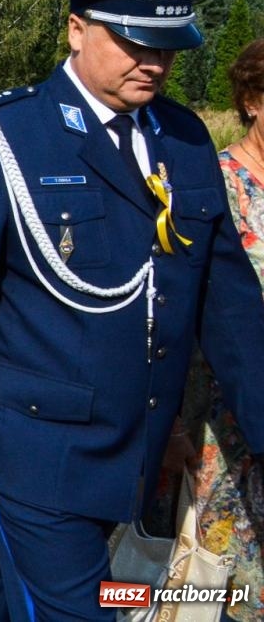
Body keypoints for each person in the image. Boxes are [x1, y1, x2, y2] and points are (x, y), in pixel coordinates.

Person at [0, 0, 264, 621]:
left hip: (136, 451)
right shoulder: (4, 134)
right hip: (39, 454)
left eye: (165, 47)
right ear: (77, 30)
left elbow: (233, 311)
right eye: (134, 42)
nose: (153, 63)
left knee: (7, 596)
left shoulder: (183, 140)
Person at [151, 37, 264, 621]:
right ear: (251, 100)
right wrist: (165, 426)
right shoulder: (212, 185)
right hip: (218, 433)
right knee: (207, 586)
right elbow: (167, 311)